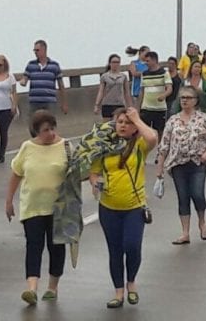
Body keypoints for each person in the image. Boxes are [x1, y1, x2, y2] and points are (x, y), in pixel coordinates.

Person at [89, 107, 158, 309]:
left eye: (127, 123)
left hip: (134, 207)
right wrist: (95, 183)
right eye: (120, 122)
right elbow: (93, 172)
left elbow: (153, 138)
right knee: (115, 250)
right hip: (108, 207)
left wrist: (137, 119)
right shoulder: (104, 147)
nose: (123, 125)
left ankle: (131, 282)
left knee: (132, 246)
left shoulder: (139, 146)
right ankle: (118, 292)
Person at [6, 111, 68, 305]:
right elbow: (16, 173)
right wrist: (9, 201)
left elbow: (75, 174)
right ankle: (31, 288)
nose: (50, 133)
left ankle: (52, 287)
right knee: (34, 246)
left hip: (58, 208)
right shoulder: (27, 147)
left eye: (52, 129)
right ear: (36, 132)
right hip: (32, 207)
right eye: (45, 130)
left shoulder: (65, 146)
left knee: (56, 248)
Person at [157, 86, 206, 245]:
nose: (184, 100)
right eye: (182, 98)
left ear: (195, 101)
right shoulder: (173, 120)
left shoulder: (203, 118)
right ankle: (185, 233)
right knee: (183, 197)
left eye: (188, 97)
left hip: (197, 162)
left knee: (197, 194)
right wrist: (160, 169)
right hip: (177, 164)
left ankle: (202, 222)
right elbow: (164, 146)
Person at [20, 40, 68, 119]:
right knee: (34, 125)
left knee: (49, 123)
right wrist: (23, 82)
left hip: (49, 101)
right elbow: (25, 78)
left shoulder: (54, 65)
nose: (35, 52)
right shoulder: (31, 65)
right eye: (34, 50)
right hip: (34, 101)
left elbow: (61, 85)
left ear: (44, 50)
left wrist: (64, 103)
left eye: (37, 50)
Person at [138, 51, 172, 140]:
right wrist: (138, 107)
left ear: (154, 60)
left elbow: (169, 88)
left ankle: (160, 150)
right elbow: (142, 91)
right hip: (146, 107)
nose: (146, 63)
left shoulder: (164, 73)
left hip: (159, 108)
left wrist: (164, 95)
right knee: (144, 130)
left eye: (148, 61)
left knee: (160, 130)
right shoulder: (144, 74)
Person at [95, 54, 132, 122]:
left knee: (118, 124)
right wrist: (97, 105)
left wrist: (129, 106)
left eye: (117, 62)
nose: (115, 64)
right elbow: (101, 91)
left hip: (119, 104)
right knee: (107, 126)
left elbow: (127, 92)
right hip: (107, 104)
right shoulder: (104, 76)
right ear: (110, 63)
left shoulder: (123, 76)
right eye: (113, 62)